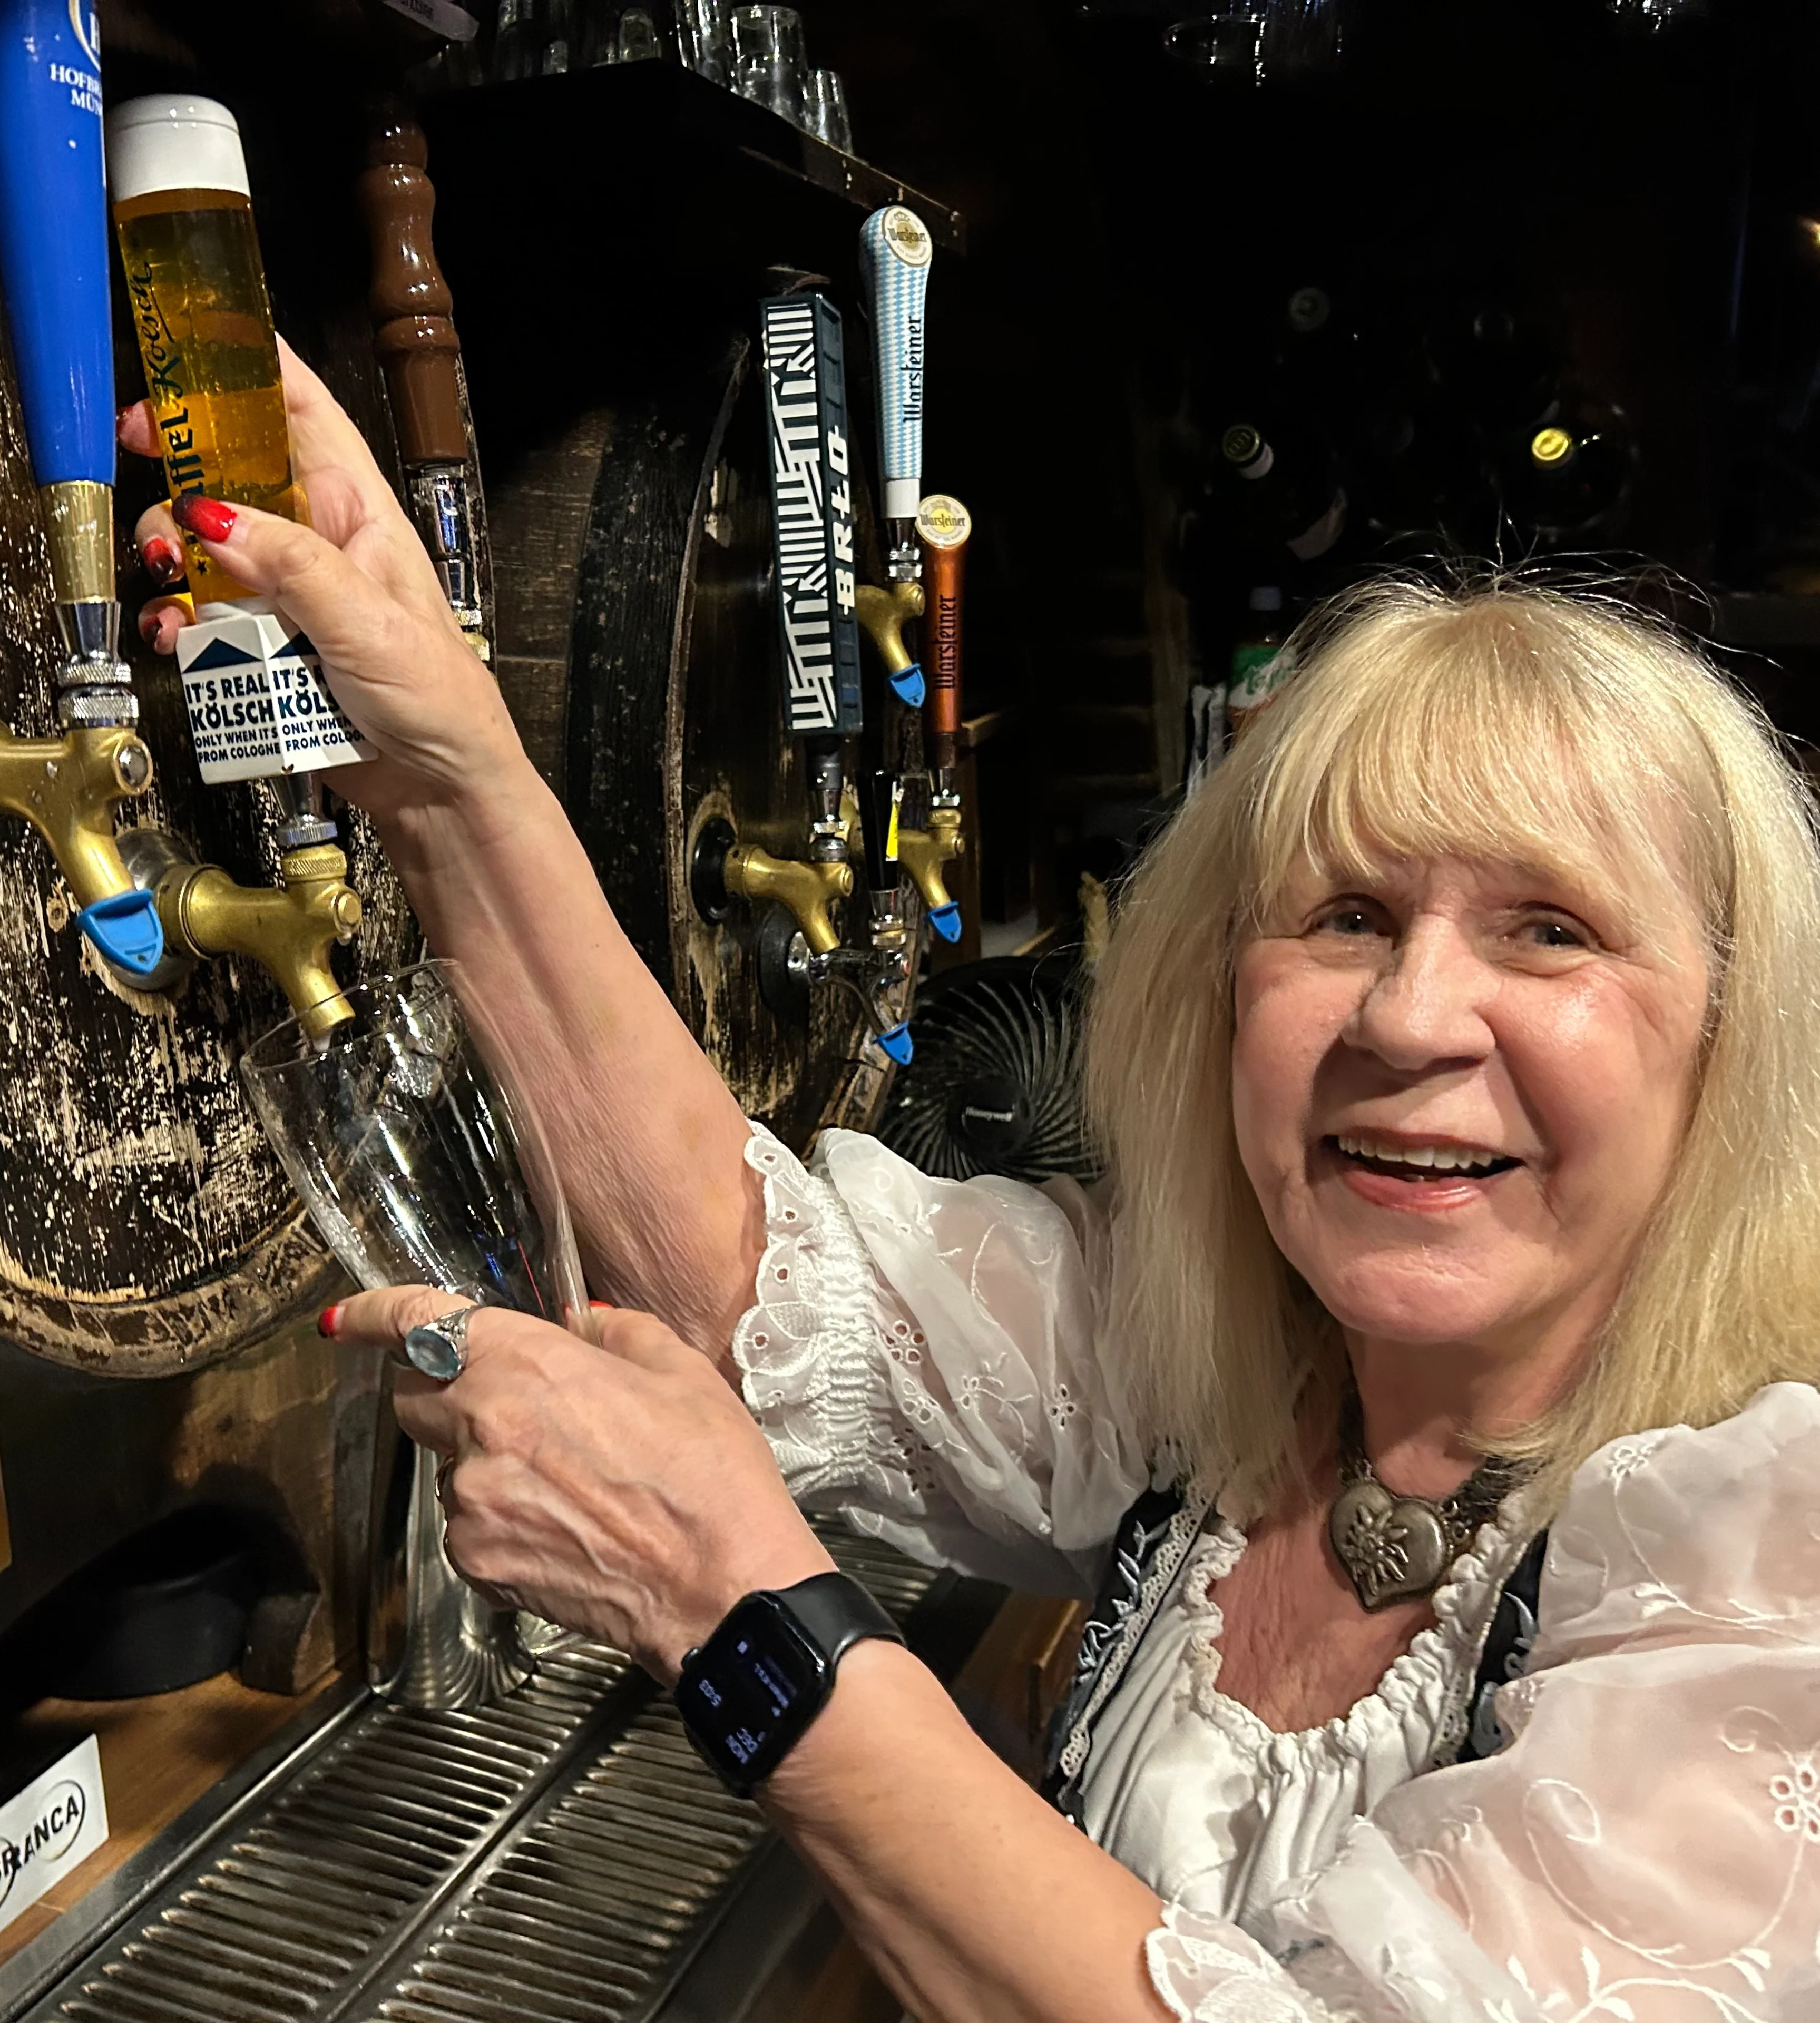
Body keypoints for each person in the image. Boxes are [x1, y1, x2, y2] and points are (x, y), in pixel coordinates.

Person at [125, 353, 1820, 2020]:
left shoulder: (1762, 1576)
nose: (1408, 1015)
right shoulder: (1222, 1364)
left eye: (1551, 931)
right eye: (1348, 916)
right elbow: (738, 1279)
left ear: (1728, 1046)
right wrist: (446, 768)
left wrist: (736, 1617)